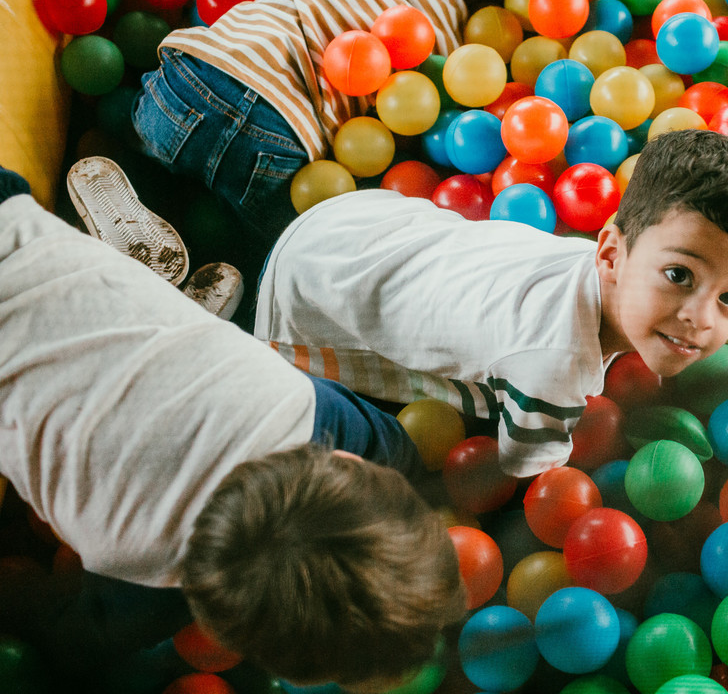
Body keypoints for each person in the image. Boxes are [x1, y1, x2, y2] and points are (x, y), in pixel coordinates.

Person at [0, 165, 467, 692]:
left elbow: (393, 446)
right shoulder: (143, 572)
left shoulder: (303, 409)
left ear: (343, 462)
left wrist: (415, 489)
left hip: (12, 233)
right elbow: (76, 639)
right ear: (219, 614)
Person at [255, 129, 728, 477]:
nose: (701, 317)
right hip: (309, 301)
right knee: (395, 461)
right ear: (612, 255)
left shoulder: (585, 262)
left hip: (359, 219)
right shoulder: (556, 364)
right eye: (679, 275)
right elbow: (523, 465)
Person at [130, 0, 575, 248]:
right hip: (268, 135)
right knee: (287, 256)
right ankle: (201, 267)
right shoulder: (444, 41)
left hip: (180, 82)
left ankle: (136, 194)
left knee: (170, 165)